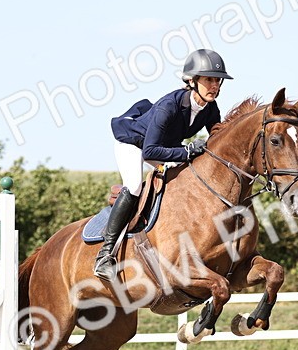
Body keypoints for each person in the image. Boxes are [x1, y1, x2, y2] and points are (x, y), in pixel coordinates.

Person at [93, 48, 233, 281]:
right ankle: (105, 255)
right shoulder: (169, 106)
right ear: (192, 80)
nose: (215, 86)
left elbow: (216, 143)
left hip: (163, 147)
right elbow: (149, 151)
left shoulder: (210, 109)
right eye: (209, 79)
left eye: (217, 81)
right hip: (134, 144)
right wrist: (187, 150)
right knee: (135, 185)